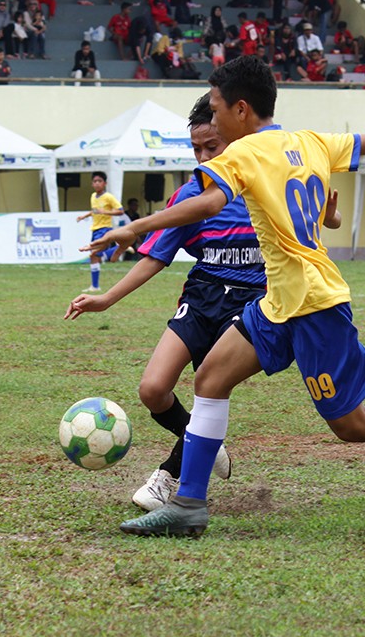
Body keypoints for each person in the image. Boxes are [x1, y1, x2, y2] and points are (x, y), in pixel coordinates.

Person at [84, 54, 365, 538]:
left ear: (241, 110)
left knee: (348, 424)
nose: (213, 118)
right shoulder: (309, 141)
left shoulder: (242, 153)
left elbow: (207, 202)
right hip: (277, 301)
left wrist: (135, 225)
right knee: (211, 380)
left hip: (313, 302)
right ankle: (188, 505)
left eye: (216, 109)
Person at [66, 94, 291, 509]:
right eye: (197, 149)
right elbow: (156, 256)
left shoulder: (266, 185)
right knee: (153, 389)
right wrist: (107, 298)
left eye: (213, 147)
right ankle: (206, 443)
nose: (204, 157)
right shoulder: (190, 194)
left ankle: (167, 477)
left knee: (209, 384)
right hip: (202, 296)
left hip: (251, 304)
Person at [75, 171, 123, 292]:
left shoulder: (108, 197)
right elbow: (94, 211)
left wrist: (105, 212)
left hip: (105, 229)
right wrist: (84, 217)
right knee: (95, 257)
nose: (97, 184)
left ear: (105, 183)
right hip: (95, 229)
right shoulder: (93, 196)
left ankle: (120, 248)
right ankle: (95, 286)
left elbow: (120, 211)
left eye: (99, 181)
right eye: (95, 181)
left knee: (94, 254)